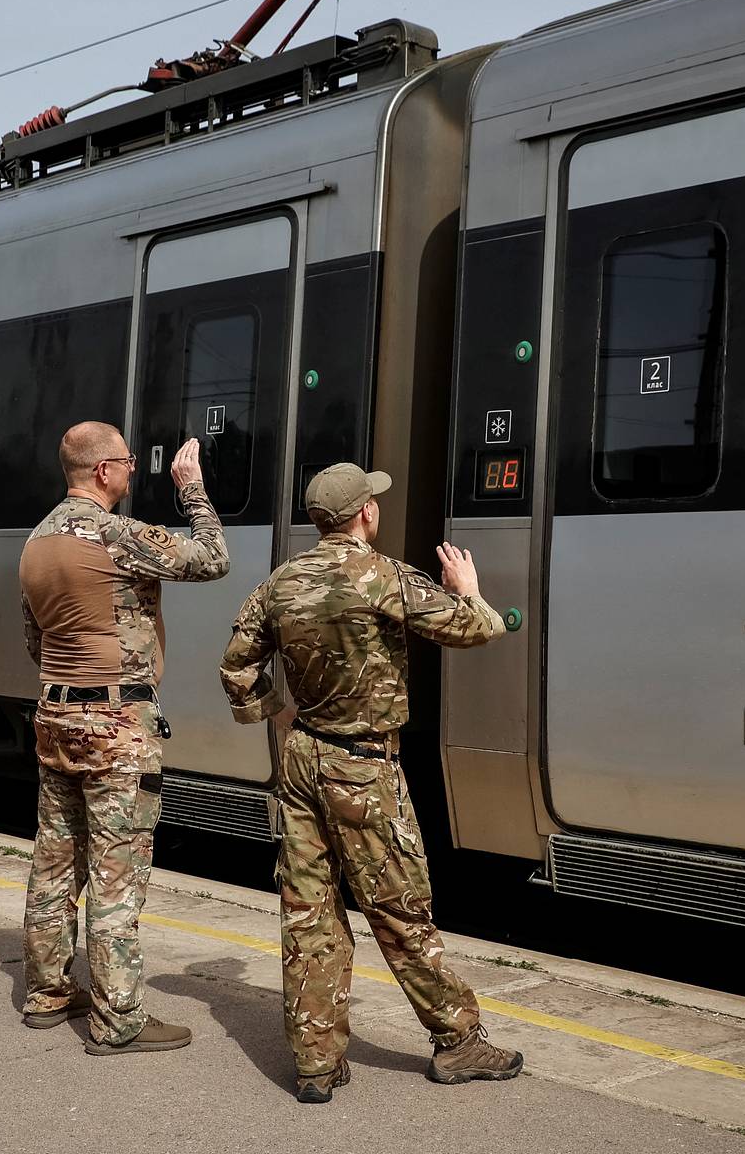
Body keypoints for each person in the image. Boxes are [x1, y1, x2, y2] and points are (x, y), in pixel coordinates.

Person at [219, 462, 524, 1101]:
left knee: (309, 911)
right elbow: (476, 630)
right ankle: (458, 1041)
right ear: (364, 514)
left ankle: (315, 1063)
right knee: (399, 907)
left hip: (301, 757)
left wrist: (279, 713)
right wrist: (467, 588)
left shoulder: (281, 582)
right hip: (363, 766)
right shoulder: (383, 576)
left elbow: (237, 668)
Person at [19, 423, 228, 1054]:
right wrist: (192, 490)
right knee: (117, 870)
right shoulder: (117, 534)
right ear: (104, 471)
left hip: (57, 717)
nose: (134, 471)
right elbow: (212, 558)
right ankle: (119, 1020)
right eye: (128, 463)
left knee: (55, 861)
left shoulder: (35, 541)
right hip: (116, 725)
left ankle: (48, 993)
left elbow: (37, 641)